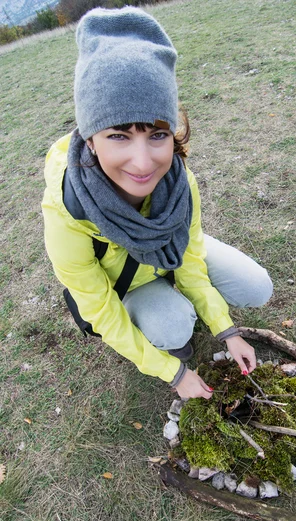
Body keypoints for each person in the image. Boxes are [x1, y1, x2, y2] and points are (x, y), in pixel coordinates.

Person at [42, 6, 273, 400]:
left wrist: (226, 330)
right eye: (118, 135)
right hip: (129, 283)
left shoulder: (180, 184)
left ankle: (178, 305)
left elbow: (189, 257)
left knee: (258, 286)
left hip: (170, 255)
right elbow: (101, 312)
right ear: (90, 137)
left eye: (157, 134)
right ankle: (165, 324)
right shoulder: (67, 211)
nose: (144, 162)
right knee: (173, 327)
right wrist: (174, 371)